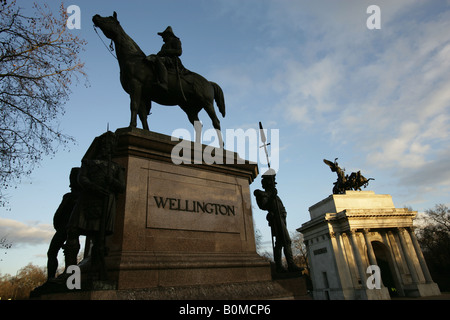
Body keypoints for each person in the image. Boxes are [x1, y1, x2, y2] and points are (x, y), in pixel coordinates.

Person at [65, 131, 125, 280]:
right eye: (104, 146)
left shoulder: (116, 168)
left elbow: (121, 186)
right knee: (72, 232)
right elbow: (82, 178)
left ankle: (94, 273)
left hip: (105, 201)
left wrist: (112, 181)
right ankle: (72, 276)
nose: (106, 149)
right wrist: (93, 187)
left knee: (99, 239)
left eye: (109, 146)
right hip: (87, 199)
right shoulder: (88, 163)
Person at [254, 170, 301, 273]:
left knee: (280, 242)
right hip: (276, 219)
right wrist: (271, 195)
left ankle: (279, 267)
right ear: (268, 183)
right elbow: (263, 206)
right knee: (286, 241)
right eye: (272, 181)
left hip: (282, 218)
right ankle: (290, 265)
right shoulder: (264, 194)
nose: (274, 183)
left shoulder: (273, 195)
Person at [46, 167, 81, 280]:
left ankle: (72, 279)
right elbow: (59, 214)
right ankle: (51, 279)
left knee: (71, 253)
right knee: (52, 253)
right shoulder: (68, 196)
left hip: (72, 228)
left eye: (73, 177)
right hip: (62, 228)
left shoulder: (80, 197)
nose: (71, 180)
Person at [146, 26, 185, 91]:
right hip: (165, 59)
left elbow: (179, 52)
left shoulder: (176, 41)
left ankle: (164, 83)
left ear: (168, 35)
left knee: (159, 60)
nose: (162, 37)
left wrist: (165, 52)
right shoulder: (164, 45)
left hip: (172, 60)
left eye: (163, 35)